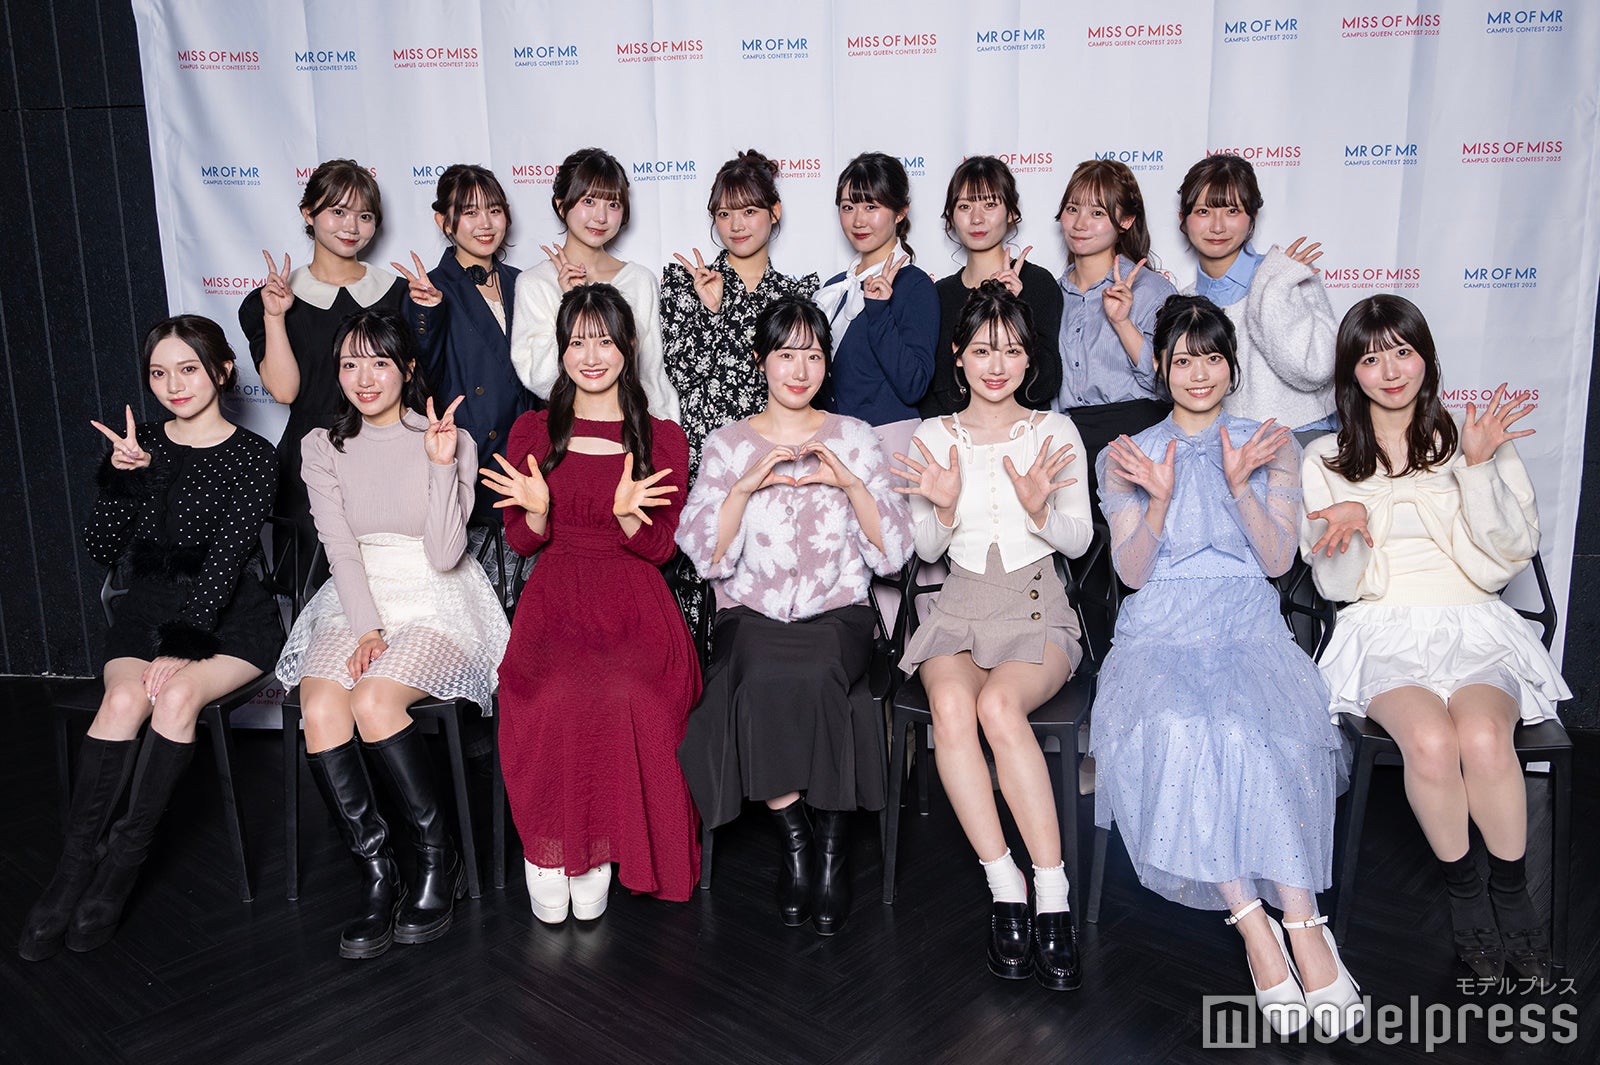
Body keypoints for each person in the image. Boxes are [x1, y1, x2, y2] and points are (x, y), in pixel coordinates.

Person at [1090, 294, 1359, 1038]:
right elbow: (1133, 574)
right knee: (1181, 732)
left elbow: (1275, 561)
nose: (1199, 372)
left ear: (1232, 365)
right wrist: (1159, 498)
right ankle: (1253, 926)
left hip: (1246, 618)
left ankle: (1303, 921)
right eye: (1182, 359)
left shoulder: (1272, 443)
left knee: (1261, 730)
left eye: (1212, 356)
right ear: (1161, 368)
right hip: (1161, 626)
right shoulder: (1126, 456)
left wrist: (1240, 485)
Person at [1302, 294, 1569, 982]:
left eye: (1402, 351)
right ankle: (1465, 896)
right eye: (1370, 358)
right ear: (1350, 373)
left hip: (1473, 618)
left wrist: (1477, 469)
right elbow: (1337, 586)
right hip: (1383, 627)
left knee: (1481, 736)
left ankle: (1512, 895)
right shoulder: (1326, 458)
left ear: (1426, 357)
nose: (1390, 371)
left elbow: (1509, 557)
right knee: (1429, 741)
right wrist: (1351, 526)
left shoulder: (1471, 436)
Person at [18, 316, 279, 960]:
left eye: (188, 368)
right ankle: (73, 871)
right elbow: (102, 549)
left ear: (222, 370)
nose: (173, 385)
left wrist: (182, 645)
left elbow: (225, 563)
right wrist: (125, 477)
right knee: (123, 700)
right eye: (159, 373)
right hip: (144, 614)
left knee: (176, 696)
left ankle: (120, 868)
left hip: (230, 620)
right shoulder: (141, 446)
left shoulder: (255, 454)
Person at [274, 311, 509, 959]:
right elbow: (340, 549)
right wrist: (367, 628)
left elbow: (444, 554)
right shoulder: (322, 446)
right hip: (358, 597)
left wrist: (440, 465)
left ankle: (438, 860)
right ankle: (378, 872)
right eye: (350, 363)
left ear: (407, 368)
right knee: (322, 706)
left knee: (374, 700)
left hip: (436, 596)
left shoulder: (449, 437)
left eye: (379, 362)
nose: (364, 377)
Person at [675, 297, 912, 936]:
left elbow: (893, 552)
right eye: (786, 354)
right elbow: (705, 553)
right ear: (761, 361)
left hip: (838, 614)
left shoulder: (855, 437)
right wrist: (743, 487)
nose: (800, 369)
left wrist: (852, 484)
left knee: (820, 673)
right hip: (751, 614)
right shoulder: (728, 443)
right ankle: (798, 839)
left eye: (813, 355)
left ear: (826, 363)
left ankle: (832, 849)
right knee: (756, 677)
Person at [890, 282, 1092, 991]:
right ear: (958, 357)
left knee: (999, 709)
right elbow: (926, 547)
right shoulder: (932, 437)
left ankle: (1053, 895)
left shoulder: (1054, 431)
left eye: (1010, 349)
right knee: (952, 708)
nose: (996, 364)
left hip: (1037, 605)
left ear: (1029, 357)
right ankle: (1005, 885)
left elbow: (1078, 539)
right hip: (960, 605)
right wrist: (943, 508)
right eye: (981, 350)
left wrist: (1040, 509)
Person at [485, 283, 701, 921]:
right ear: (561, 351)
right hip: (555, 596)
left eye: (604, 340)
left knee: (628, 692)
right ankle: (550, 848)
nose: (591, 355)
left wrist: (628, 517)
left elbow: (662, 550)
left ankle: (602, 847)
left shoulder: (662, 438)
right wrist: (538, 511)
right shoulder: (532, 430)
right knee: (551, 693)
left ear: (628, 346)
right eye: (578, 342)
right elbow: (522, 542)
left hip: (635, 601)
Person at [241, 159, 405, 546]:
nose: (351, 227)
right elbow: (284, 391)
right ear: (308, 213)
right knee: (309, 578)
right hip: (309, 463)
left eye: (365, 216)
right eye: (338, 211)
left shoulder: (398, 294)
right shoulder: (270, 300)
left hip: (387, 459)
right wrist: (275, 316)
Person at [662, 149, 820, 479]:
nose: (736, 226)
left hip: (777, 457)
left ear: (774, 211)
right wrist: (711, 312)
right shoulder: (686, 284)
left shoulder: (795, 297)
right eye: (724, 214)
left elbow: (807, 383)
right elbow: (681, 376)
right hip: (708, 457)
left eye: (749, 211)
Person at [395, 163, 532, 521]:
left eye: (494, 210)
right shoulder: (429, 289)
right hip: (473, 456)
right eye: (470, 212)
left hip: (529, 455)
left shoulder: (523, 281)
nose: (485, 224)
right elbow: (422, 375)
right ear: (444, 222)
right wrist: (428, 312)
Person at [509, 147, 679, 420]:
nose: (601, 217)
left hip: (635, 430)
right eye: (589, 201)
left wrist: (665, 433)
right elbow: (540, 379)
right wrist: (570, 303)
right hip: (569, 432)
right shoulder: (535, 283)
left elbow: (651, 376)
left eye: (613, 204)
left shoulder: (640, 281)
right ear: (561, 205)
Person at [1176, 153, 1335, 432]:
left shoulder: (1286, 277)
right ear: (1183, 219)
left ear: (1252, 218)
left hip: (1300, 436)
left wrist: (1273, 291)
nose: (1217, 226)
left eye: (1232, 211)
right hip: (1225, 446)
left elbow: (1315, 370)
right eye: (1203, 212)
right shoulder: (1186, 301)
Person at [1053, 159, 1177, 503]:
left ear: (1126, 220)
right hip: (1069, 444)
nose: (1080, 224)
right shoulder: (1050, 293)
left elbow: (1169, 385)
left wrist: (1122, 323)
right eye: (1072, 209)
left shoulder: (1153, 291)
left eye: (1097, 213)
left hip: (1137, 440)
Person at [921, 155, 1062, 419]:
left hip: (1023, 433)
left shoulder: (1036, 283)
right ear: (950, 216)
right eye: (965, 206)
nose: (977, 218)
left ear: (1011, 212)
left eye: (989, 204)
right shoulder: (939, 294)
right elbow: (932, 388)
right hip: (955, 435)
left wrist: (1013, 308)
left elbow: (1045, 384)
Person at [814, 152, 937, 445]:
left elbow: (914, 385)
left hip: (887, 442)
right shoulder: (834, 288)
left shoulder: (914, 285)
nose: (858, 220)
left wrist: (879, 312)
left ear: (900, 212)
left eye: (871, 207)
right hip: (832, 441)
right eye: (848, 207)